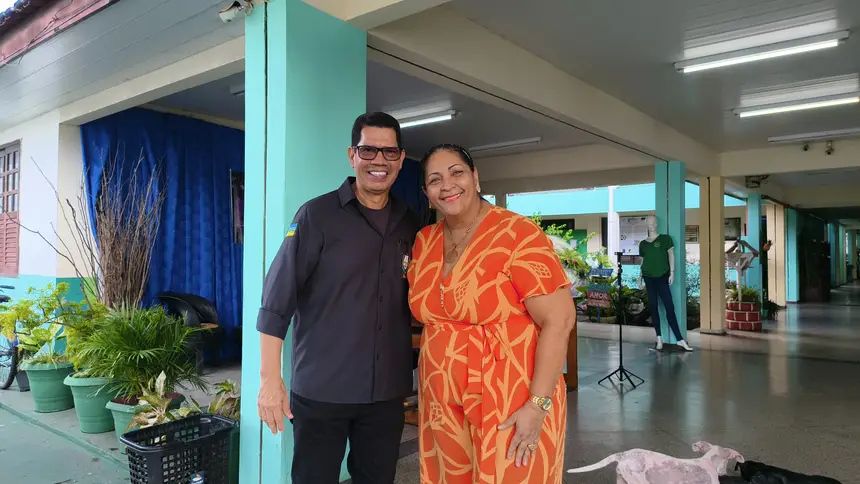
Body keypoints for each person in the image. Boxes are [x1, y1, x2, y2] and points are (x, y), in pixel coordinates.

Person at [256, 112, 420, 484]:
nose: (379, 160)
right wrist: (270, 381)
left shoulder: (411, 223)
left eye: (389, 152)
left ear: (400, 158)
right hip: (322, 390)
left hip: (387, 393)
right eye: (368, 150)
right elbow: (276, 302)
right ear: (352, 155)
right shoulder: (317, 216)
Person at [407, 144, 576, 483]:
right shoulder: (424, 241)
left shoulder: (518, 233)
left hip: (511, 392)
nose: (448, 185)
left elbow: (559, 320)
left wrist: (537, 405)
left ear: (475, 178)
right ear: (427, 194)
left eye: (457, 173)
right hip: (440, 397)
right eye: (435, 179)